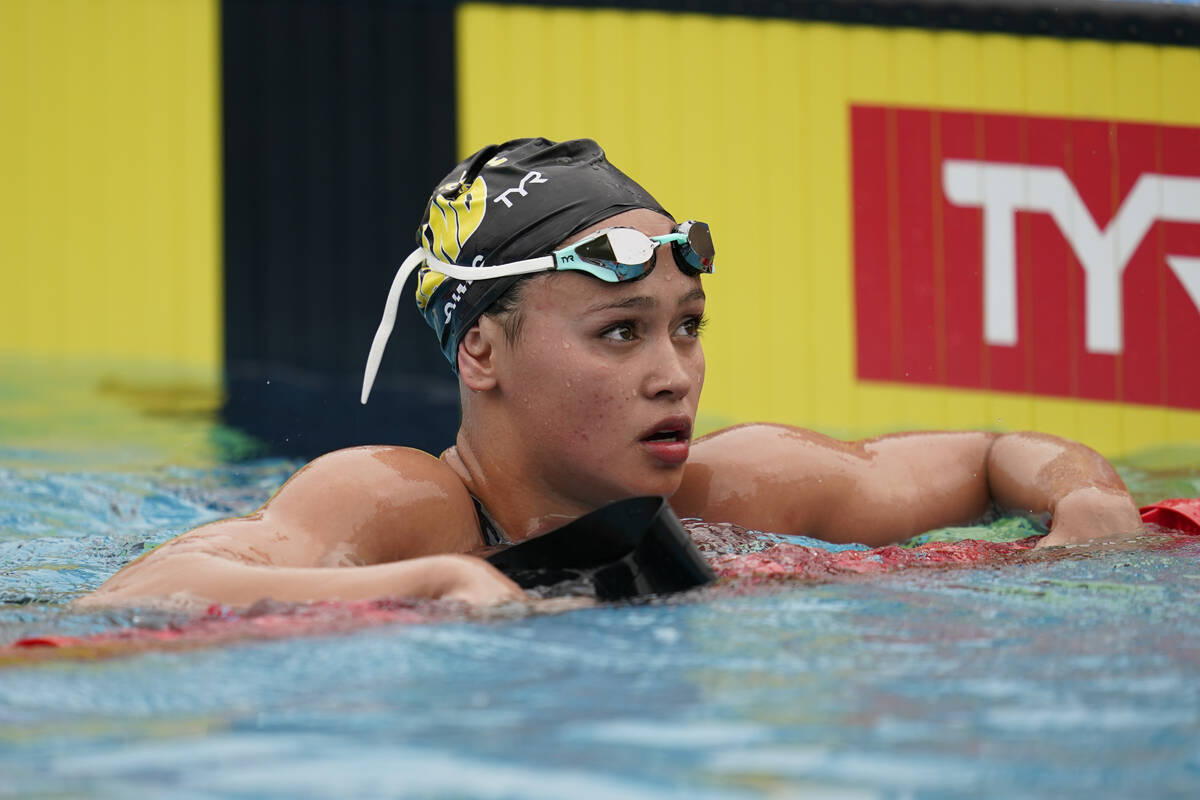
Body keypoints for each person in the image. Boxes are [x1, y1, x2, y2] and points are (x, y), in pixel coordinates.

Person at [79, 138, 1145, 610]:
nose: (674, 373)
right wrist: (436, 579)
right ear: (481, 350)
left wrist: (1087, 497)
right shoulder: (402, 501)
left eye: (686, 326)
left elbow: (1001, 454)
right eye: (620, 333)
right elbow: (136, 593)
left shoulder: (734, 488)